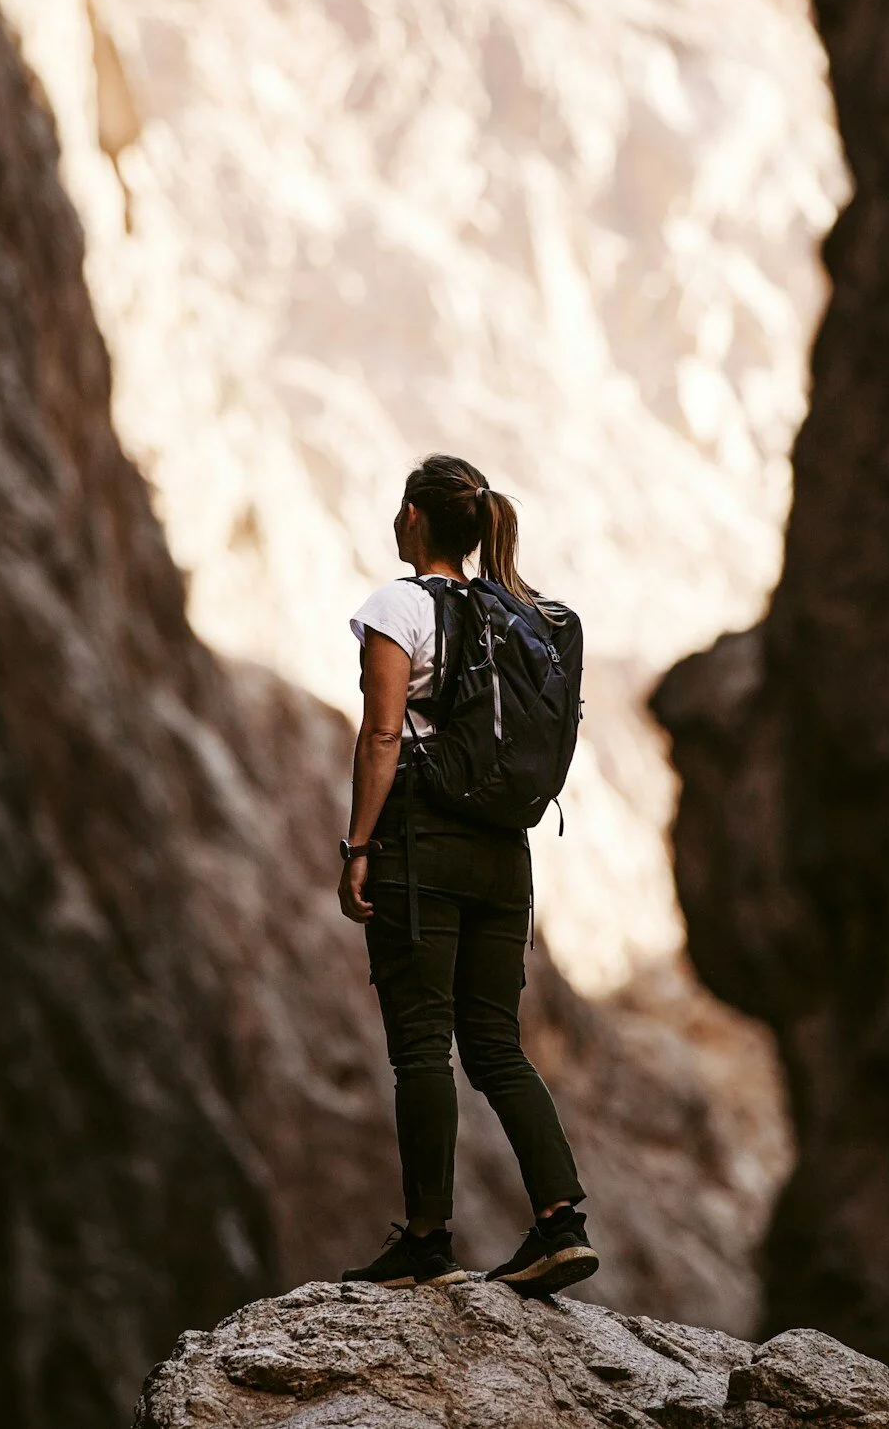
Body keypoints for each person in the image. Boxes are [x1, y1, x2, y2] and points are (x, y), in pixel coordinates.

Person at [334, 454, 597, 1296]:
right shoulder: (516, 612)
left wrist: (356, 848)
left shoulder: (398, 607)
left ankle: (425, 1241)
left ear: (414, 518)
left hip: (421, 844)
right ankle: (561, 1223)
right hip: (503, 855)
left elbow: (381, 737)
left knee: (421, 1046)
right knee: (494, 1044)